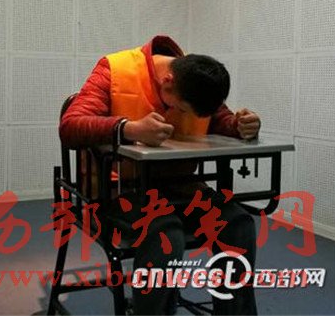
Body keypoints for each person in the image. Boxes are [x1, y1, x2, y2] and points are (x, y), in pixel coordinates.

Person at [59, 35, 261, 315]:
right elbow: (71, 126)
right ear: (168, 82)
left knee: (238, 224)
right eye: (181, 109)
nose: (178, 115)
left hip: (180, 187)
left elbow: (220, 120)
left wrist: (240, 126)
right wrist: (128, 128)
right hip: (118, 189)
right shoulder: (113, 69)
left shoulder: (197, 80)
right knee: (166, 233)